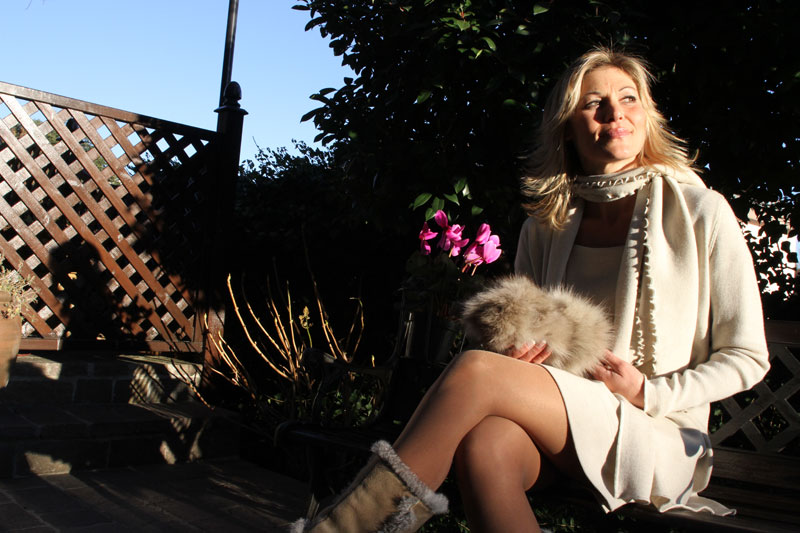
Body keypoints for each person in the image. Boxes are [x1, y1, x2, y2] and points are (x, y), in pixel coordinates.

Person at [291, 47, 770, 533]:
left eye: (629, 98)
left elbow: (748, 356)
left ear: (647, 114)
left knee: (476, 370)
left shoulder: (702, 212)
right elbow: (530, 341)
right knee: (486, 445)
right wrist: (519, 358)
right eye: (594, 103)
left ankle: (345, 529)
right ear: (568, 127)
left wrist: (649, 392)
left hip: (658, 433)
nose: (615, 113)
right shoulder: (545, 228)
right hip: (563, 422)